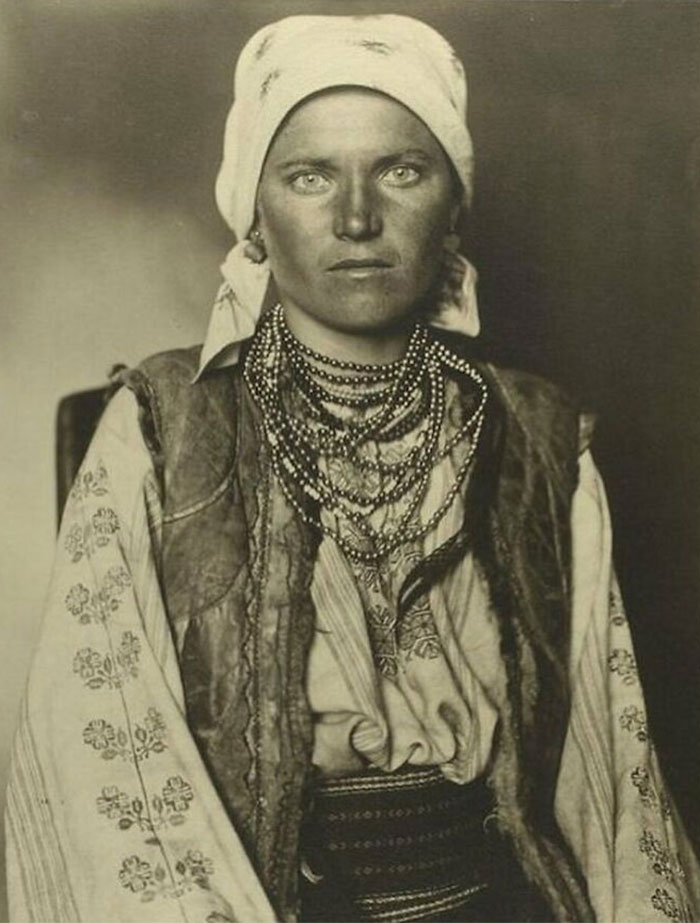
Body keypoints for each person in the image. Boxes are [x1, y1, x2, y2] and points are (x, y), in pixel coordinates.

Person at [6, 13, 700, 923]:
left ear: (452, 203)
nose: (357, 218)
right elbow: (107, 776)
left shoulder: (536, 436)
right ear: (255, 212)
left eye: (400, 170)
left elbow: (610, 777)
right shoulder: (161, 423)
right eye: (309, 176)